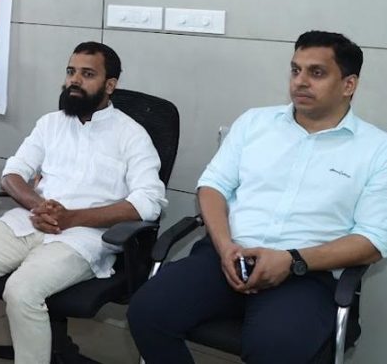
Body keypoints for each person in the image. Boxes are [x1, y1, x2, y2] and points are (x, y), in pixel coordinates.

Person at [128, 31, 387, 364]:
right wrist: (225, 247)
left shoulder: (376, 150)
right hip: (226, 258)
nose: (300, 81)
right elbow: (212, 187)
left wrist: (292, 259)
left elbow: (373, 240)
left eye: (316, 73)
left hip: (305, 274)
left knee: (276, 349)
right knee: (147, 311)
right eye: (295, 70)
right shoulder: (255, 122)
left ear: (348, 84)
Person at [0, 42, 168, 364]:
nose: (74, 80)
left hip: (84, 236)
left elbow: (149, 202)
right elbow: (12, 174)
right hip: (29, 220)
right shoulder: (50, 124)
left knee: (22, 291)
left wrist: (72, 217)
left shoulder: (132, 135)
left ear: (110, 85)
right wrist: (38, 205)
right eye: (71, 71)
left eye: (87, 74)